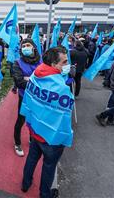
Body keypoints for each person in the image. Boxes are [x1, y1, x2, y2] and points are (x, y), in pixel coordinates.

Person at [20, 46, 74, 198]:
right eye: (64, 62)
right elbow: (64, 118)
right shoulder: (61, 88)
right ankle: (45, 194)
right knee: (49, 166)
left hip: (35, 129)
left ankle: (25, 183)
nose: (67, 64)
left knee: (32, 158)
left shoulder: (35, 75)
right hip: (51, 138)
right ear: (53, 64)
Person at [12, 38, 41, 156]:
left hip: (38, 97)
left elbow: (47, 79)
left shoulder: (41, 61)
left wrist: (28, 79)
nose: (25, 48)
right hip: (24, 97)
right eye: (23, 46)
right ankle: (17, 143)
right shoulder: (17, 63)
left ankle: (31, 138)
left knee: (34, 119)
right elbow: (19, 82)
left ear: (34, 47)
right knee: (21, 120)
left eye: (28, 45)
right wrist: (37, 82)